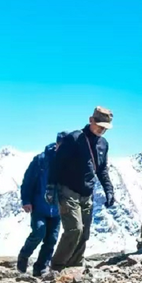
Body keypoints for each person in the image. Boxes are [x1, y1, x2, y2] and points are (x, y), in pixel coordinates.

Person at [47, 106, 115, 271]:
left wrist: (109, 190)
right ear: (91, 120)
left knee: (84, 233)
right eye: (99, 125)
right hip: (68, 191)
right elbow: (57, 163)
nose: (102, 130)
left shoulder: (103, 144)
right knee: (74, 230)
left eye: (105, 128)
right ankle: (56, 266)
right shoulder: (74, 139)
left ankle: (75, 266)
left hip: (87, 194)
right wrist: (50, 187)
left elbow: (102, 170)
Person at [17, 132, 68, 276]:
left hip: (58, 208)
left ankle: (41, 268)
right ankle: (24, 255)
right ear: (57, 144)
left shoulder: (70, 162)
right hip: (39, 205)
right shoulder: (41, 159)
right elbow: (28, 181)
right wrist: (26, 200)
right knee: (39, 232)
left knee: (51, 239)